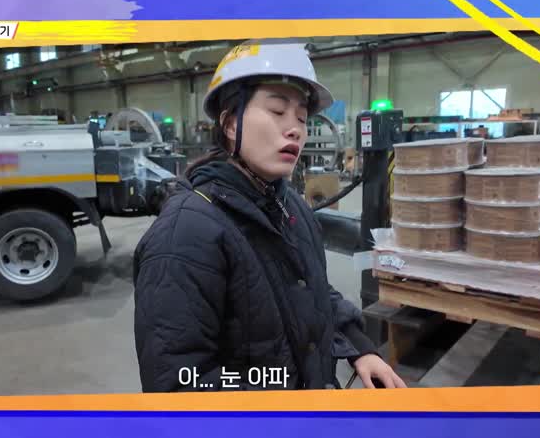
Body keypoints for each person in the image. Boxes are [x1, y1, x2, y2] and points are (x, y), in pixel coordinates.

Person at [132, 38, 407, 392]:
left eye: (302, 118)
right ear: (230, 125)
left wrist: (360, 347)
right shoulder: (185, 232)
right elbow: (179, 382)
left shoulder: (292, 206)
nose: (295, 129)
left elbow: (313, 290)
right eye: (277, 111)